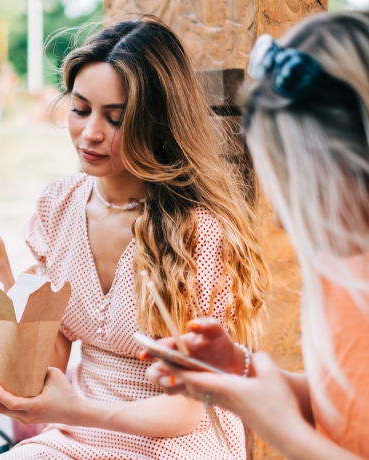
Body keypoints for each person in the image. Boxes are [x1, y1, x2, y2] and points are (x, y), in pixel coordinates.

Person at [0, 15, 269, 459]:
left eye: (116, 118)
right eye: (80, 109)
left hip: (177, 443)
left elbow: (186, 412)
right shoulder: (58, 206)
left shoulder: (197, 231)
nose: (90, 133)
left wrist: (77, 410)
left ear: (158, 123)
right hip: (80, 437)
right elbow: (46, 366)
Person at [144, 10, 369, 460]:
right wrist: (239, 373)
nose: (282, 224)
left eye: (297, 186)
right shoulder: (344, 272)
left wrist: (281, 430)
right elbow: (349, 408)